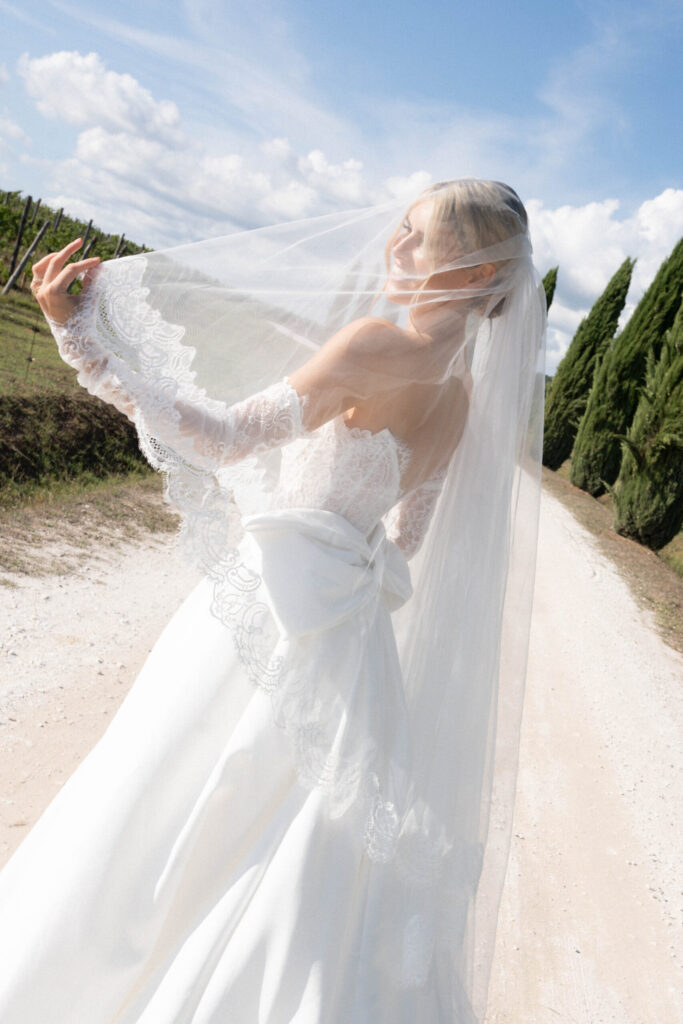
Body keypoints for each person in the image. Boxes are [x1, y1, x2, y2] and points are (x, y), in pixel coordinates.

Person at [0, 179, 546, 1023]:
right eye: (398, 231)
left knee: (162, 804)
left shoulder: (373, 341)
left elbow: (221, 439)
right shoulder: (465, 402)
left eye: (418, 238)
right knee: (303, 846)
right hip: (351, 635)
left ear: (475, 276)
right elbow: (405, 539)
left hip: (274, 606)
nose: (394, 250)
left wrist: (83, 343)